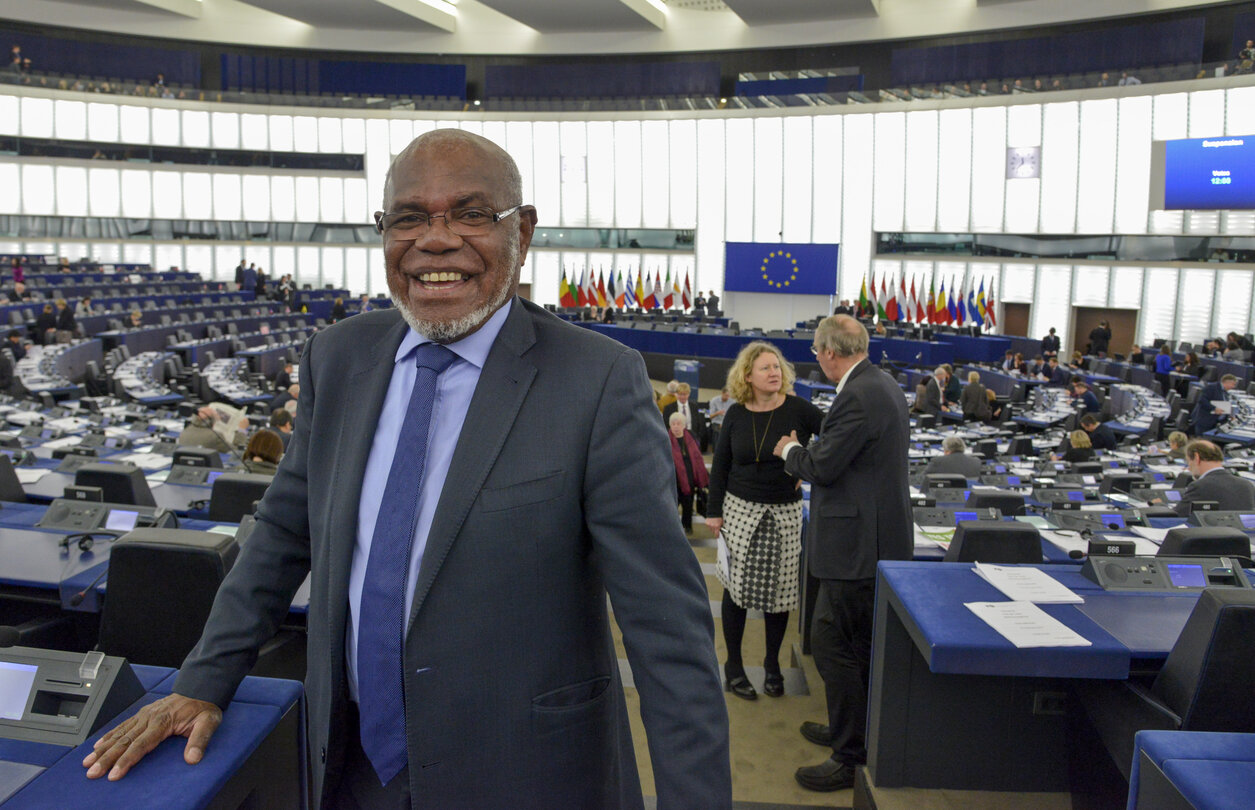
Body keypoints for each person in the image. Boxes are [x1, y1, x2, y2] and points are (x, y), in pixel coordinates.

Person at [84, 129, 731, 808]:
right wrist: (202, 679)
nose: (436, 239)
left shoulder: (596, 380)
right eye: (409, 217)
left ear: (524, 232)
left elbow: (666, 628)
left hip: (526, 775)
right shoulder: (338, 357)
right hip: (351, 767)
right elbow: (281, 533)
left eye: (472, 214)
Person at [773, 314, 911, 792]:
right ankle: (847, 728)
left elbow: (824, 466)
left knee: (837, 644)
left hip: (857, 547)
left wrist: (791, 450)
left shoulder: (857, 395)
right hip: (873, 539)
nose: (818, 359)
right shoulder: (884, 384)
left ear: (830, 352)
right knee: (850, 644)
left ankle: (850, 756)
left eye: (816, 352)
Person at [705, 341, 823, 702]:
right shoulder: (736, 415)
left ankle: (772, 666)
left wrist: (808, 460)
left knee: (780, 594)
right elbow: (721, 465)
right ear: (747, 376)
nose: (774, 373)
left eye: (777, 367)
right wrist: (713, 512)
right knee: (736, 592)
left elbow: (837, 438)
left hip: (784, 513)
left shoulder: (801, 410)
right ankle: (735, 667)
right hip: (739, 510)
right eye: (765, 368)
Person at [1162, 440, 1255, 515]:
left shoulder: (1200, 486)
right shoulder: (1247, 485)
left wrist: (1159, 505)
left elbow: (1176, 515)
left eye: (1188, 461)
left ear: (1196, 457)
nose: (1188, 467)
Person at [668, 412, 708, 533]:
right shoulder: (665, 438)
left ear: (684, 425)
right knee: (671, 506)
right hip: (673, 479)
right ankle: (670, 527)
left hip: (689, 478)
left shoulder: (690, 436)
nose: (675, 426)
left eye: (678, 424)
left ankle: (687, 526)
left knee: (688, 504)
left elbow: (697, 458)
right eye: (673, 424)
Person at [661, 381, 706, 451]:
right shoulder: (669, 408)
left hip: (692, 440)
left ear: (689, 394)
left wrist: (697, 437)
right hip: (675, 441)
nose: (682, 397)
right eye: (680, 394)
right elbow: (665, 425)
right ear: (676, 394)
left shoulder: (694, 407)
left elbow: (699, 424)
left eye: (685, 394)